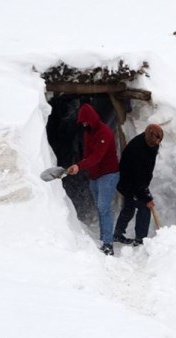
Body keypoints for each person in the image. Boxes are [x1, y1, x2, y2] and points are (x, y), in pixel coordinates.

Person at [67, 103, 119, 256]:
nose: (84, 124)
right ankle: (103, 239)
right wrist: (84, 167)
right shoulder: (87, 132)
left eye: (85, 121)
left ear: (92, 119)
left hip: (108, 174)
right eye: (82, 122)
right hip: (95, 176)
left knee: (104, 208)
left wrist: (79, 166)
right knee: (99, 207)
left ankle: (108, 244)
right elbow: (87, 154)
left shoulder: (105, 133)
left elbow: (96, 157)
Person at [113, 124, 163, 246]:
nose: (157, 143)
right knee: (145, 207)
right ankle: (141, 239)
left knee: (129, 207)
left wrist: (144, 187)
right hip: (129, 183)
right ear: (149, 137)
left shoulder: (149, 143)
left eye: (159, 141)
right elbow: (138, 177)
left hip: (134, 182)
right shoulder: (138, 149)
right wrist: (147, 197)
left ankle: (118, 234)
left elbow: (145, 171)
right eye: (156, 141)